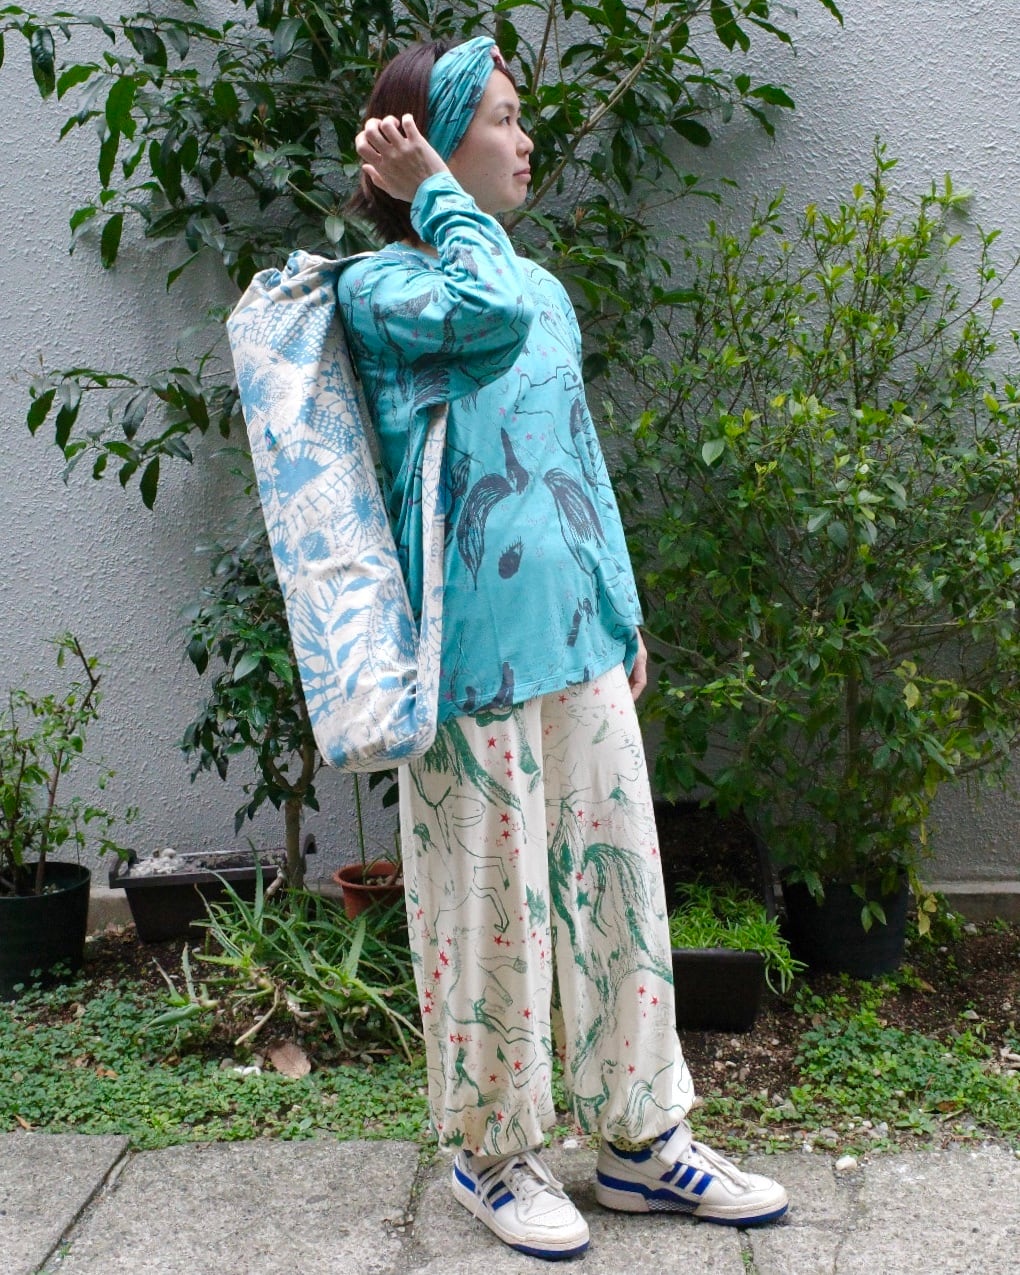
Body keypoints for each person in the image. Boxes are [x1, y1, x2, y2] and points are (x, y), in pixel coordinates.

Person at [338, 35, 789, 1261]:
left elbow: (577, 452)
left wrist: (621, 605)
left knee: (619, 900)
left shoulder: (542, 285)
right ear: (429, 144)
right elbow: (478, 320)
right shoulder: (384, 292)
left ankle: (643, 1143)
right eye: (499, 117)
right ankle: (488, 1156)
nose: (525, 138)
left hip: (577, 646)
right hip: (466, 665)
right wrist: (433, 194)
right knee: (488, 912)